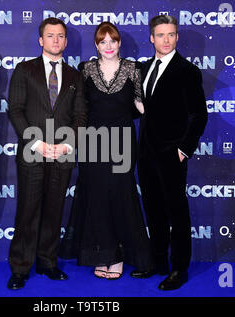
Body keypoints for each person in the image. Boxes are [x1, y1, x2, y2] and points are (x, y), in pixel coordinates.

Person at [59, 22, 153, 280]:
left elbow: (140, 104)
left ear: (119, 43)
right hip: (92, 141)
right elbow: (79, 106)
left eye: (113, 40)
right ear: (97, 45)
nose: (108, 46)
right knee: (97, 198)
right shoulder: (85, 69)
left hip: (122, 141)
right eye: (103, 42)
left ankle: (122, 256)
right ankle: (103, 255)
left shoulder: (134, 69)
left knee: (121, 196)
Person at [6, 17, 87, 290]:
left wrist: (66, 145)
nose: (56, 40)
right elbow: (15, 110)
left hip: (63, 154)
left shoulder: (76, 76)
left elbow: (80, 116)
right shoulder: (24, 70)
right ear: (41, 40)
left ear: (66, 41)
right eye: (50, 35)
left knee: (54, 211)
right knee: (27, 212)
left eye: (60, 36)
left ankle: (47, 262)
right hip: (32, 152)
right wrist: (37, 143)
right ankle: (20, 268)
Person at [134, 15, 208, 290]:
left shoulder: (187, 71)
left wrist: (183, 150)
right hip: (145, 154)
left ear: (177, 37)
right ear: (151, 38)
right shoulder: (142, 69)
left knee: (176, 212)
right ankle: (158, 262)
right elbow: (140, 110)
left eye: (171, 34)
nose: (167, 40)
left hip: (171, 154)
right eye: (161, 35)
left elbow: (199, 115)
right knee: (153, 210)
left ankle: (179, 268)